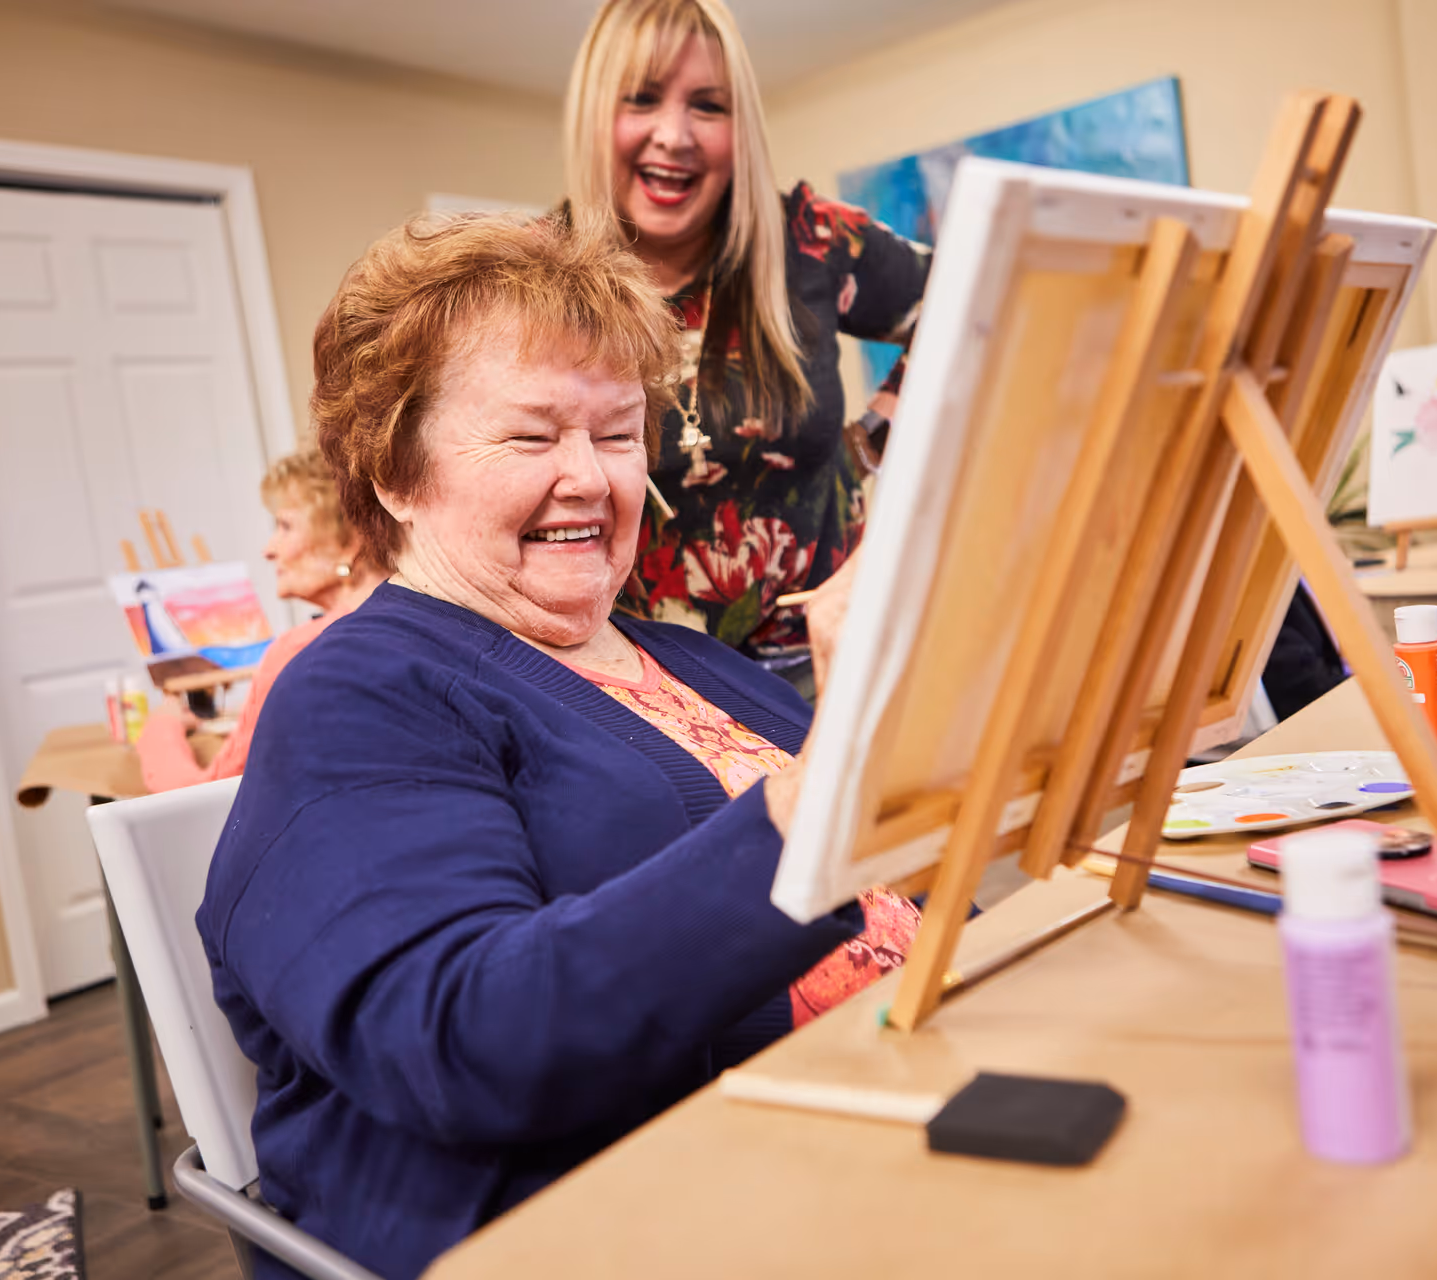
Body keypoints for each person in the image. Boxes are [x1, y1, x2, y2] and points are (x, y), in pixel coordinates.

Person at [198, 214, 919, 1280]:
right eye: (533, 437)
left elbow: (909, 875)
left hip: (886, 1115)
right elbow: (466, 1040)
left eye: (618, 433)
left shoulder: (684, 656)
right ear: (394, 472)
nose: (590, 476)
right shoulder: (360, 690)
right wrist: (828, 787)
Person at [563, 0, 931, 674]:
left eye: (708, 106)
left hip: (830, 664)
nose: (674, 136)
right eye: (642, 100)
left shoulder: (810, 239)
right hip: (641, 683)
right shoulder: (539, 277)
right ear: (594, 112)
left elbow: (967, 305)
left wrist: (870, 443)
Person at [135, 451, 386, 791]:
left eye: (285, 526)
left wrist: (161, 730)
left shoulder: (300, 650)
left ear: (350, 540)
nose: (269, 550)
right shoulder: (421, 614)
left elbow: (205, 794)